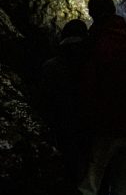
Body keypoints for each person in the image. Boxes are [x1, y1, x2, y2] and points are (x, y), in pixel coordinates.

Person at [78, 0, 126, 195]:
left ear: (93, 14)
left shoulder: (96, 43)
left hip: (103, 126)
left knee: (90, 184)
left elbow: (88, 85)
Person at [37, 19, 89, 183]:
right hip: (86, 126)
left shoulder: (50, 66)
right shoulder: (91, 64)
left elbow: (43, 100)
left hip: (60, 126)